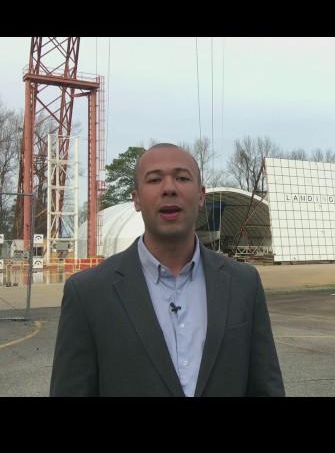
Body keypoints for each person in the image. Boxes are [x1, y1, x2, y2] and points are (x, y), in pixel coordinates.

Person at [50, 143, 285, 397]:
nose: (169, 188)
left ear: (201, 196)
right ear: (136, 199)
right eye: (154, 180)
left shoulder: (243, 283)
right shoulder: (88, 292)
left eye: (182, 178)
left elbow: (266, 387)